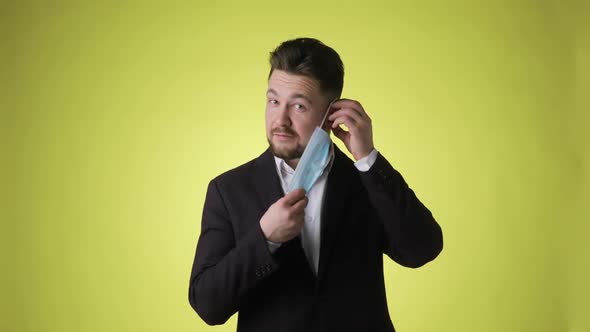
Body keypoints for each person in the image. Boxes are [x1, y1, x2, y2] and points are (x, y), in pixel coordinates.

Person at [188, 37, 443, 332]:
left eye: (298, 106)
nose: (279, 120)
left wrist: (368, 159)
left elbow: (421, 249)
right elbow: (207, 304)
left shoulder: (367, 181)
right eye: (273, 101)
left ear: (332, 113)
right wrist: (265, 237)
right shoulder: (228, 190)